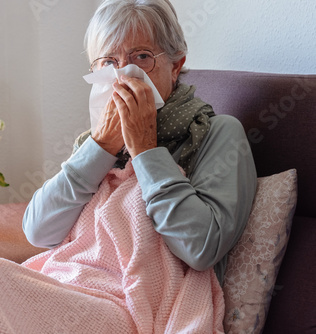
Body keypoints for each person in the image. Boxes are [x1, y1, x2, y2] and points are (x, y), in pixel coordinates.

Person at [23, 0, 257, 285]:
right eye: (109, 62)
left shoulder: (217, 133)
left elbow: (200, 250)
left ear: (175, 65)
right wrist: (101, 147)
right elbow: (38, 232)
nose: (122, 74)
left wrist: (145, 149)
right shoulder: (99, 137)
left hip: (141, 299)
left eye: (142, 57)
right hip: (75, 282)